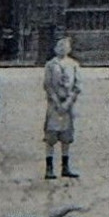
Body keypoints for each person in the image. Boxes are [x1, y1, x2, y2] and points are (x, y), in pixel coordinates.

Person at [42, 35, 82, 180]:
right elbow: (47, 85)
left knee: (66, 137)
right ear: (55, 48)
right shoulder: (50, 65)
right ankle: (49, 167)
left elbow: (77, 86)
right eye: (60, 46)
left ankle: (65, 167)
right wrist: (57, 102)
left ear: (69, 49)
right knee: (51, 137)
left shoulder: (74, 64)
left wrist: (68, 102)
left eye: (65, 46)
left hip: (68, 106)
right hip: (54, 105)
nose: (62, 48)